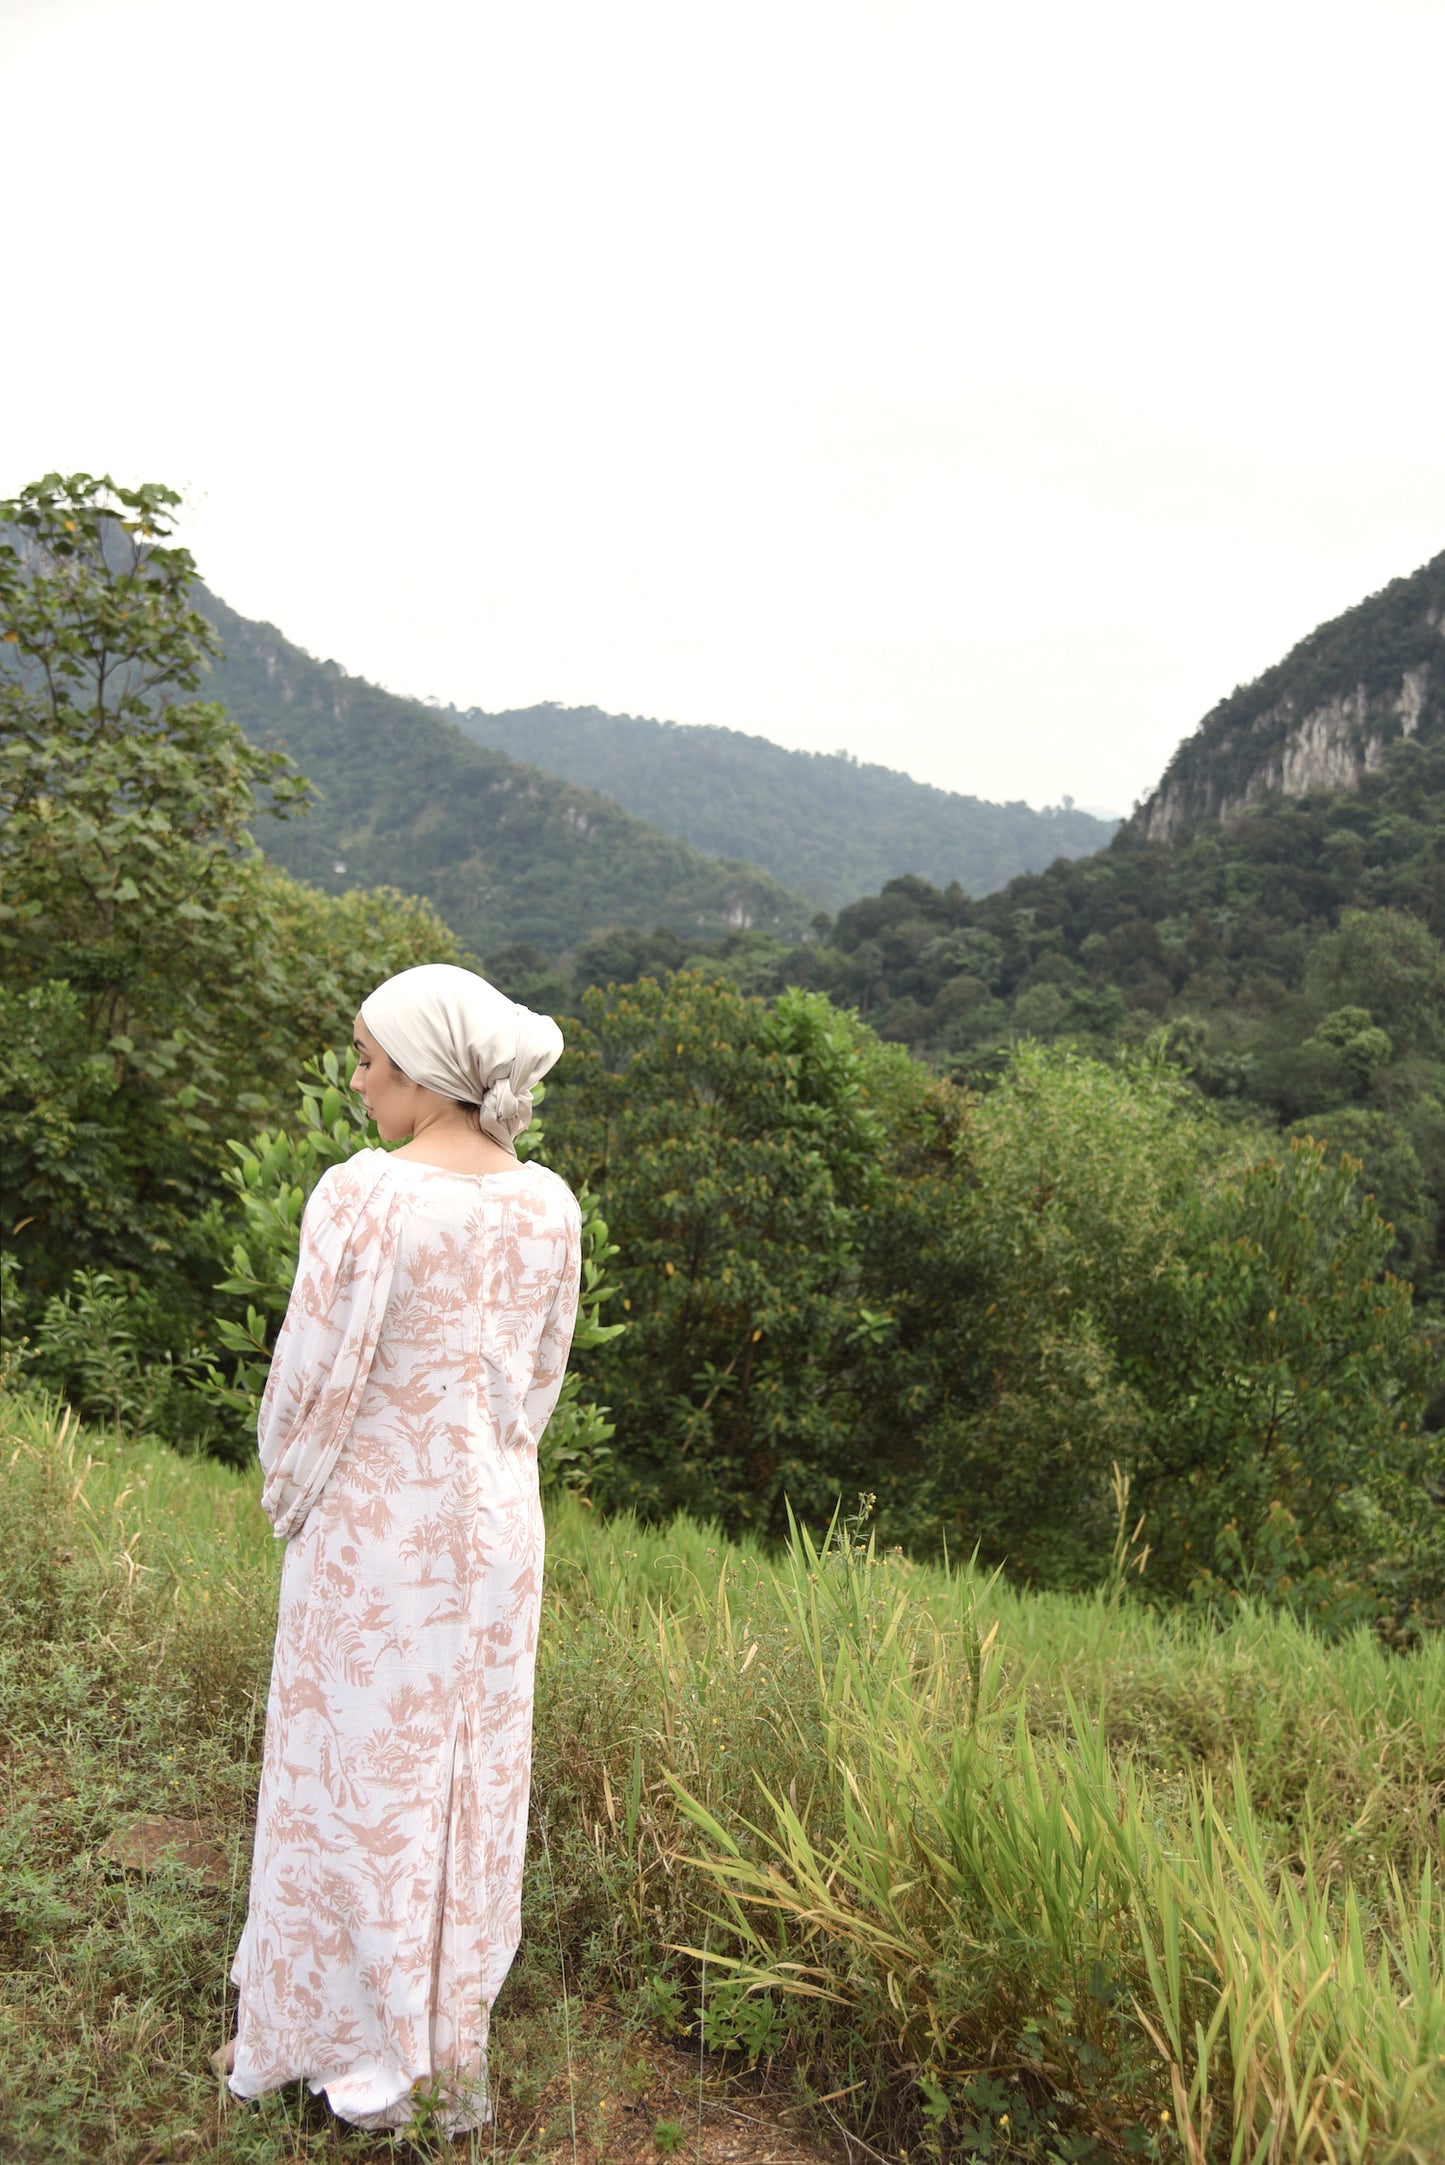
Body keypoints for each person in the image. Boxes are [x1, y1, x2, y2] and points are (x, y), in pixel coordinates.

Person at [220, 963, 582, 2134]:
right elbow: (536, 1384)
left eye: (370, 1058)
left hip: (374, 1530)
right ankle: (427, 2038)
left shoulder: (362, 1195)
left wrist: (291, 1492)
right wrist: (484, 1464)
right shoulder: (550, 1204)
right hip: (492, 1533)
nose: (359, 1076)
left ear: (427, 1072)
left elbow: (308, 1382)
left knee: (350, 1773)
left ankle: (338, 2031)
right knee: (456, 1778)